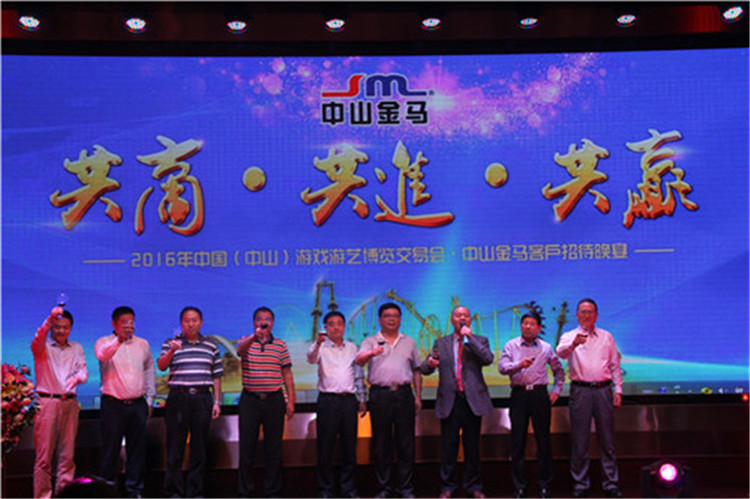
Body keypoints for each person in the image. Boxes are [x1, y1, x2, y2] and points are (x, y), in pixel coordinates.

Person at [421, 306, 494, 499]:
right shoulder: (441, 342)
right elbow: (425, 368)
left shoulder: (480, 340)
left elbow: (488, 359)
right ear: (452, 319)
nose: (462, 318)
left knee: (472, 447)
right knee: (448, 447)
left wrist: (470, 338)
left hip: (472, 401)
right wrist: (430, 364)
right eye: (458, 315)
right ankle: (448, 487)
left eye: (466, 316)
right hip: (450, 401)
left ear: (470, 320)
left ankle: (474, 486)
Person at [556, 298, 623, 498]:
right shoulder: (569, 336)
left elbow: (614, 365)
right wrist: (573, 344)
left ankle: (610, 483)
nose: (586, 315)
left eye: (590, 312)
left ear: (596, 315)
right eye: (583, 312)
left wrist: (618, 390)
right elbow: (560, 353)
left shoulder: (606, 336)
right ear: (577, 315)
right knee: (580, 440)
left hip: (603, 390)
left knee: (607, 439)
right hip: (580, 391)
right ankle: (580, 484)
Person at [355, 303, 422, 499]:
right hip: (380, 396)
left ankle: (405, 488)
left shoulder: (409, 342)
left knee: (406, 444)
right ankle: (383, 488)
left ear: (400, 319)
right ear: (379, 320)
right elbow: (358, 361)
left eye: (395, 316)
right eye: (387, 316)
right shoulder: (370, 341)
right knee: (381, 444)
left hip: (404, 395)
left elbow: (417, 370)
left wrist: (418, 396)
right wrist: (371, 353)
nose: (392, 319)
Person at [157, 306, 224, 498]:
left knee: (199, 449)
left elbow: (217, 376)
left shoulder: (211, 345)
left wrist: (217, 402)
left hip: (202, 399)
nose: (191, 324)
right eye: (187, 321)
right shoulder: (170, 343)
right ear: (181, 323)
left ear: (201, 322)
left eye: (194, 320)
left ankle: (195, 493)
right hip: (178, 398)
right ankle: (173, 493)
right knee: (175, 448)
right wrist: (172, 351)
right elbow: (161, 366)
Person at [498, 312, 564, 499]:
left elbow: (559, 370)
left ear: (539, 328)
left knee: (543, 440)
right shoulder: (511, 345)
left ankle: (545, 485)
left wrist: (556, 391)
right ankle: (520, 486)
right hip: (519, 395)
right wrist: (519, 365)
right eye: (525, 323)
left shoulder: (546, 347)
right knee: (518, 441)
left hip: (539, 395)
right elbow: (502, 368)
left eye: (532, 324)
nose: (527, 326)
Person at [94, 306, 157, 498]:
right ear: (114, 323)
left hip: (137, 405)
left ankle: (134, 491)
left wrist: (150, 400)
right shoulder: (103, 342)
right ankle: (107, 492)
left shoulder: (142, 343)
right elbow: (102, 355)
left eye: (131, 321)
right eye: (124, 322)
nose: (128, 325)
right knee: (110, 451)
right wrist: (119, 339)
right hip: (113, 405)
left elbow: (149, 370)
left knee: (137, 452)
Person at [236, 306, 296, 498]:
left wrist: (291, 400)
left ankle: (273, 492)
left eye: (267, 319)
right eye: (260, 319)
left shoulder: (280, 345)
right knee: (246, 448)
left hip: (274, 400)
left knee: (274, 448)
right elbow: (240, 351)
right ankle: (245, 492)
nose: (264, 322)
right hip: (250, 400)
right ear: (254, 322)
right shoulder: (245, 341)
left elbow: (287, 374)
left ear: (273, 323)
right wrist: (254, 336)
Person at [307, 311, 367, 498]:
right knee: (325, 448)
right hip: (328, 401)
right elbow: (311, 359)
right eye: (331, 324)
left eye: (339, 323)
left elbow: (358, 373)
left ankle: (349, 490)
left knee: (349, 448)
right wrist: (318, 342)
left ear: (344, 326)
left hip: (349, 401)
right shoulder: (320, 347)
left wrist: (362, 398)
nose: (336, 327)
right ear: (325, 327)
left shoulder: (352, 347)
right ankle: (325, 490)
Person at [31, 306, 88, 499]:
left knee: (67, 457)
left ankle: (64, 495)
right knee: (44, 459)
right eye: (57, 327)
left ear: (71, 328)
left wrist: (78, 378)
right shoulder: (42, 347)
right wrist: (50, 318)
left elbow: (83, 370)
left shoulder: (77, 348)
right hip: (47, 402)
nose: (61, 331)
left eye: (65, 327)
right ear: (51, 328)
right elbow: (38, 337)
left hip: (70, 403)